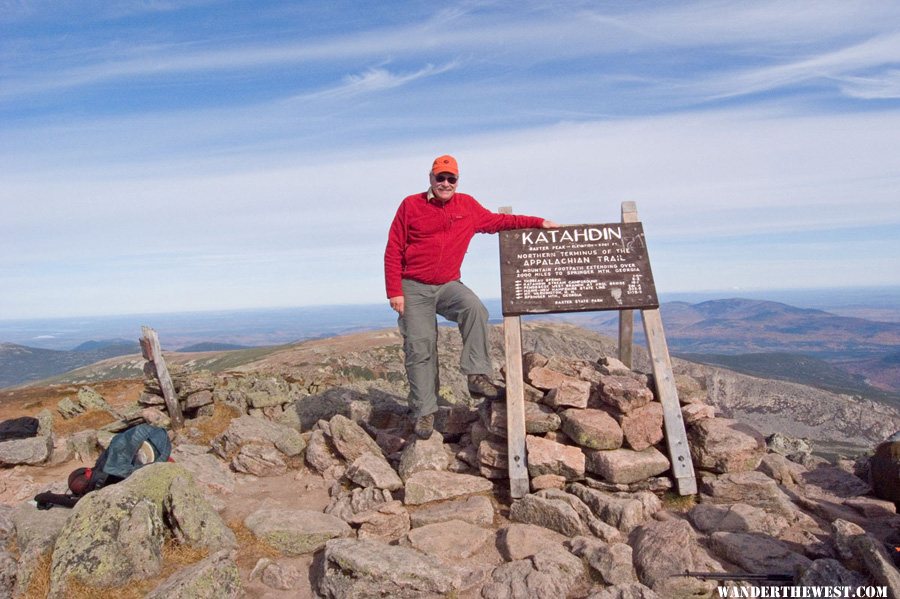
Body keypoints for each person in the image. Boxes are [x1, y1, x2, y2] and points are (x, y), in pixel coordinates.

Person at [384, 154, 558, 439]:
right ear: (431, 179)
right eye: (440, 177)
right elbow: (393, 249)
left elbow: (499, 221)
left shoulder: (467, 205)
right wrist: (395, 291)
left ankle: (476, 376)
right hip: (413, 287)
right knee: (421, 348)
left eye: (451, 178)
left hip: (448, 284)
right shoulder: (410, 205)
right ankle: (425, 411)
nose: (445, 183)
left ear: (457, 181)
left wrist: (538, 222)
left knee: (475, 308)